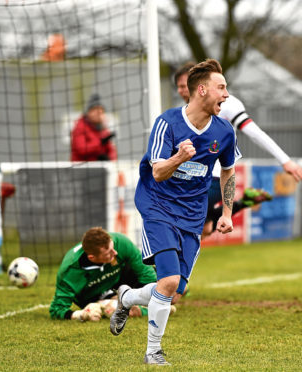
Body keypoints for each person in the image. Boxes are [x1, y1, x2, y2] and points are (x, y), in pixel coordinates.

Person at [109, 59, 239, 365]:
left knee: (174, 289)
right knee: (167, 283)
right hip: (158, 207)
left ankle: (126, 297)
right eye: (222, 88)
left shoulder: (224, 130)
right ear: (202, 90)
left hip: (193, 215)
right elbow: (157, 173)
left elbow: (228, 171)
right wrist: (180, 156)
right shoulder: (167, 123)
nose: (227, 94)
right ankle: (153, 352)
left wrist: (227, 213)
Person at [174, 62, 302, 239]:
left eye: (185, 85)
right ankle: (244, 202)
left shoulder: (227, 104)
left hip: (213, 178)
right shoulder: (181, 113)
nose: (183, 91)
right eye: (180, 87)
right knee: (204, 228)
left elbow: (254, 132)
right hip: (191, 178)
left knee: (183, 221)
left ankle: (163, 266)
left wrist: (285, 160)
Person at [49, 227, 161, 322]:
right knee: (113, 309)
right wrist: (81, 315)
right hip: (93, 296)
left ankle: (147, 304)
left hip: (118, 281)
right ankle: (142, 307)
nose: (115, 252)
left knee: (162, 282)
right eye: (109, 253)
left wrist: (154, 295)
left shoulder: (120, 242)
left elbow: (146, 273)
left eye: (113, 248)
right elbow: (57, 309)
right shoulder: (70, 272)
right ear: (92, 258)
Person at [70, 93, 117, 161]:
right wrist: (99, 143)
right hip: (82, 168)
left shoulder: (103, 129)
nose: (99, 113)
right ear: (88, 112)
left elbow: (112, 151)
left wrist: (109, 159)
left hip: (99, 167)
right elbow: (81, 149)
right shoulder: (80, 127)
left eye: (101, 111)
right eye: (95, 110)